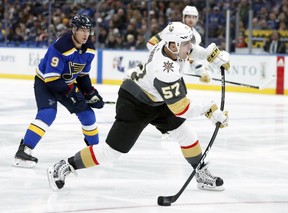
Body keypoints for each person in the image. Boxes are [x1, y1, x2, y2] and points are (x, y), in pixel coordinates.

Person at [47, 22, 230, 192]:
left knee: (185, 132)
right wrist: (210, 109)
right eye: (186, 44)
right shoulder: (164, 72)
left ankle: (200, 173)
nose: (190, 46)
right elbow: (181, 108)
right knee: (111, 152)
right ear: (173, 46)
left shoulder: (169, 47)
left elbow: (190, 50)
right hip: (134, 102)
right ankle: (66, 165)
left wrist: (209, 55)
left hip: (156, 98)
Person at [13, 14, 105, 168]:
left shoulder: (89, 50)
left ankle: (94, 152)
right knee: (47, 114)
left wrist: (90, 93)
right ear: (74, 29)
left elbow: (82, 75)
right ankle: (23, 151)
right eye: (82, 30)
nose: (86, 34)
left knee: (88, 115)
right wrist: (73, 93)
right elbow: (52, 79)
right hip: (46, 83)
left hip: (64, 84)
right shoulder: (61, 47)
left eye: (88, 30)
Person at [147, 5, 211, 83]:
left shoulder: (197, 37)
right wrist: (162, 57)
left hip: (177, 70)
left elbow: (192, 58)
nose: (191, 20)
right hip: (164, 69)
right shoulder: (174, 28)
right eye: (188, 17)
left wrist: (201, 71)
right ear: (184, 17)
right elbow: (151, 43)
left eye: (194, 17)